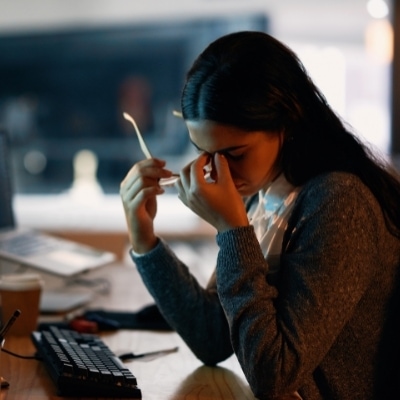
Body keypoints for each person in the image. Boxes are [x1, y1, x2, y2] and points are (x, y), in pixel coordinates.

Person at [120, 31, 400, 399]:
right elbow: (212, 337)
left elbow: (275, 375)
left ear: (287, 121)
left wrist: (233, 230)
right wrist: (145, 239)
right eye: (204, 153)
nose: (215, 172)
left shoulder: (338, 201)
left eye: (233, 154)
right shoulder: (265, 192)